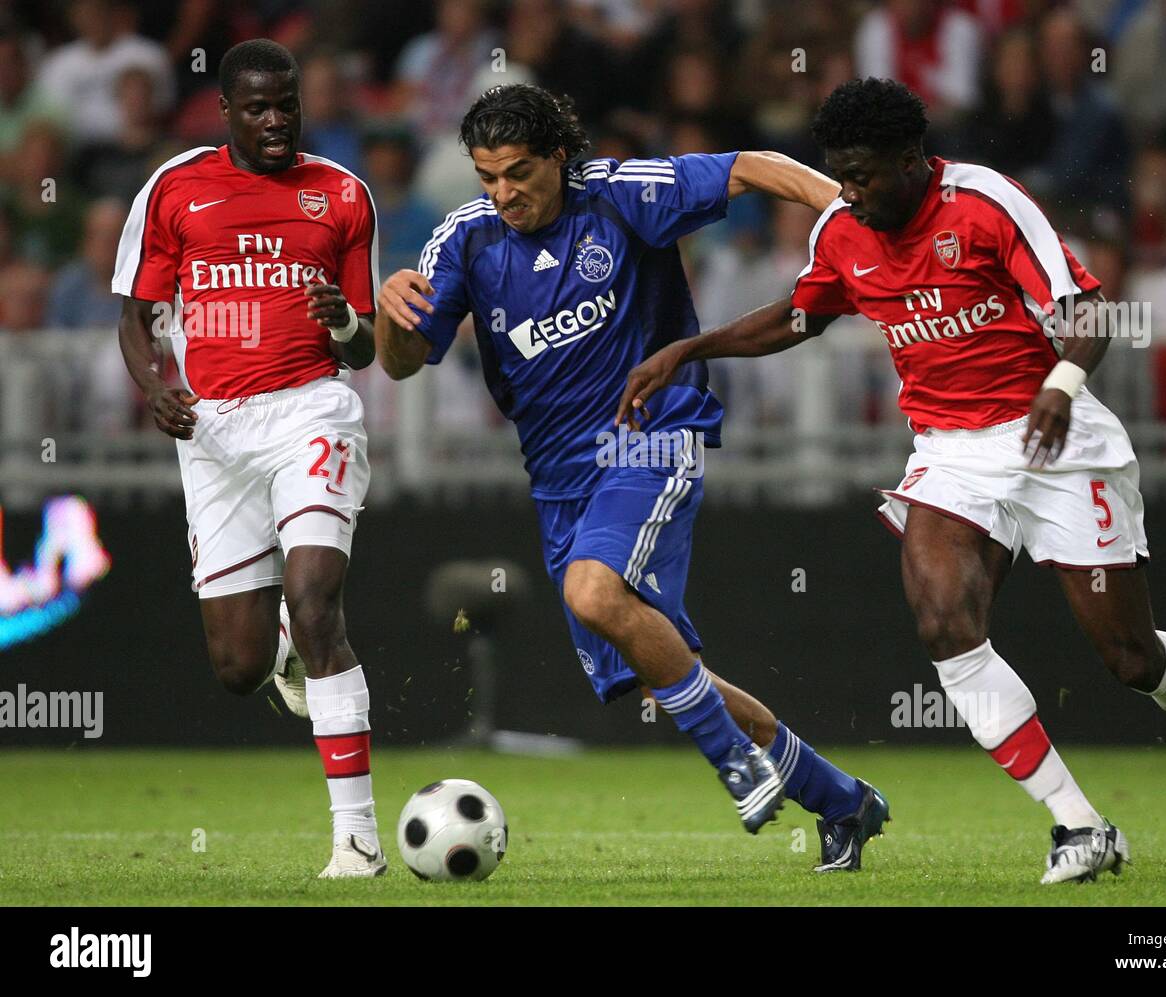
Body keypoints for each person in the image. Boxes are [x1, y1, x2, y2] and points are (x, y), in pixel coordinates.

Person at [620, 78, 1166, 885]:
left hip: (1056, 434)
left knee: (1128, 657)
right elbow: (800, 315)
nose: (847, 192)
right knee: (945, 622)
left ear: (911, 160)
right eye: (838, 175)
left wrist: (1058, 385)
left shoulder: (986, 202)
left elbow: (1088, 310)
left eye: (863, 175)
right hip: (950, 451)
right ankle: (1079, 824)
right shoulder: (844, 230)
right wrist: (688, 350)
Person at [375, 83, 888, 872]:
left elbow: (751, 166)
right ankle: (841, 798)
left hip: (648, 439)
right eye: (487, 178)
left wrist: (840, 212)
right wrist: (390, 312)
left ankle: (735, 763)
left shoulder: (620, 197)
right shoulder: (466, 242)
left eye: (518, 172)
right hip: (556, 481)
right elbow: (402, 365)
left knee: (592, 591)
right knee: (662, 672)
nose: (503, 193)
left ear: (557, 156)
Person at [111, 39, 385, 879]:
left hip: (313, 409)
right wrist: (155, 383)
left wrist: (341, 320)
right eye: (257, 108)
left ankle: (358, 840)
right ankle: (286, 642)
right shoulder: (174, 188)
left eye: (288, 105)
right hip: (215, 434)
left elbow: (366, 344)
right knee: (238, 667)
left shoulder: (341, 195)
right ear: (224, 111)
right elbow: (136, 311)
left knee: (314, 600)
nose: (275, 121)